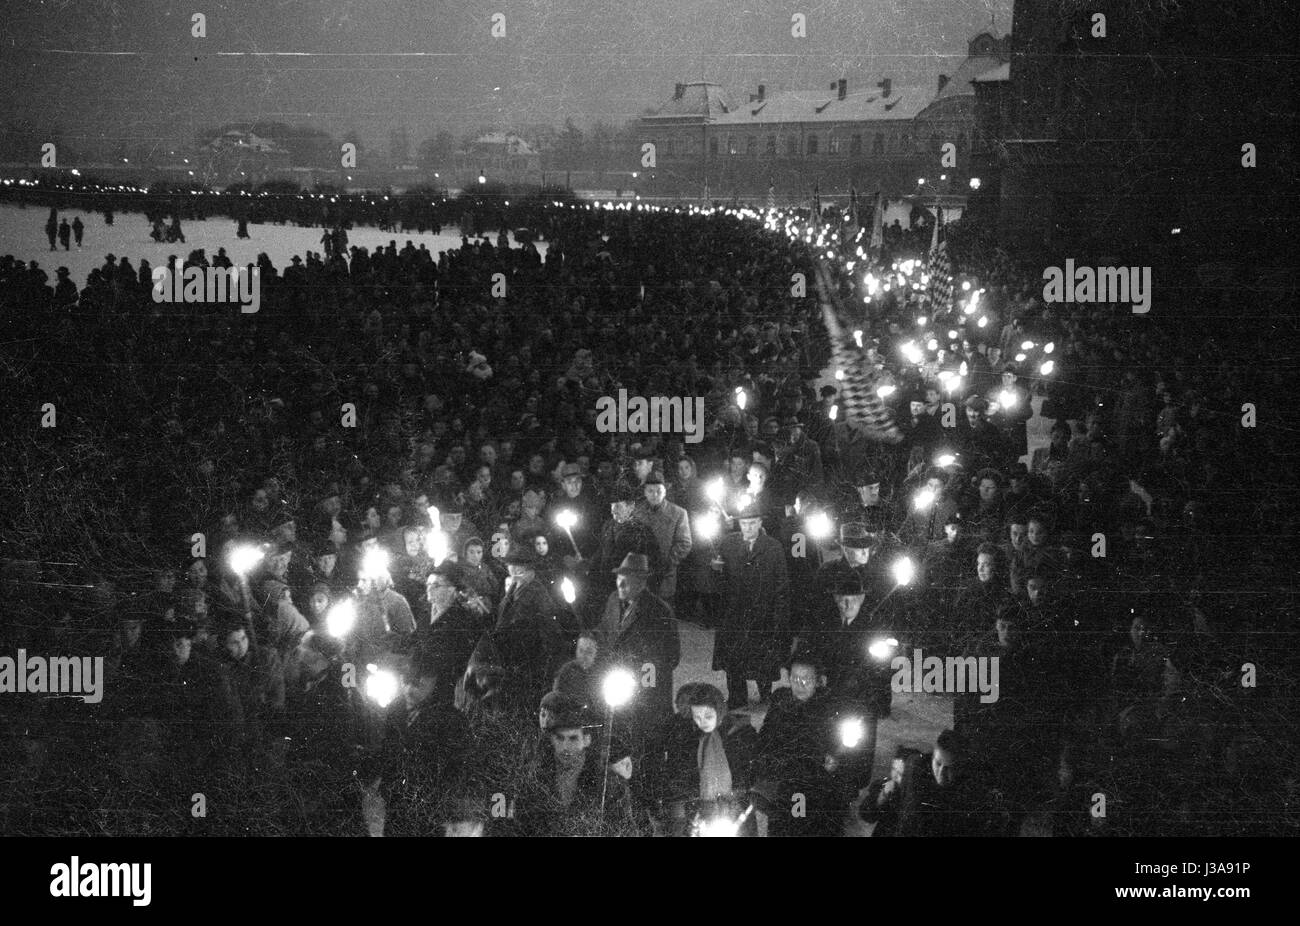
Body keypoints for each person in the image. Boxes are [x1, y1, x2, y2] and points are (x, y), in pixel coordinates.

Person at [360, 649, 473, 836]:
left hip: (428, 806)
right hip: (396, 799)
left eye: (419, 684)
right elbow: (387, 749)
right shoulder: (397, 709)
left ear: (436, 683)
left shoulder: (451, 720)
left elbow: (457, 769)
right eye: (406, 681)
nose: (409, 689)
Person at [594, 553, 680, 740]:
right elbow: (603, 633)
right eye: (618, 578)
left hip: (645, 692)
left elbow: (671, 656)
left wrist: (641, 677)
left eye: (627, 580)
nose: (620, 585)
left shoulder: (658, 611)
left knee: (645, 740)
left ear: (641, 583)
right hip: (615, 683)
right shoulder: (613, 601)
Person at [713, 498, 789, 709]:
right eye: (744, 524)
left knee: (762, 659)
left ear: (760, 524)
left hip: (762, 613)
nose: (748, 528)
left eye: (752, 523)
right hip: (735, 613)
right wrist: (716, 570)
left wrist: (779, 614)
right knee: (734, 659)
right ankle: (737, 697)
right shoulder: (728, 543)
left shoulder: (773, 547)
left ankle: (766, 693)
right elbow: (721, 581)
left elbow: (781, 584)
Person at [654, 683, 758, 836]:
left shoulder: (739, 734)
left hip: (735, 809)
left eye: (708, 716)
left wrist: (749, 790)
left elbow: (755, 768)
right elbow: (678, 775)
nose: (703, 722)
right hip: (702, 811)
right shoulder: (688, 740)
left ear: (719, 711)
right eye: (697, 717)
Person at [633, 470, 692, 605]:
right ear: (644, 492)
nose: (654, 495)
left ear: (665, 491)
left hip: (665, 574)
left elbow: (684, 543)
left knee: (664, 612)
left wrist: (666, 563)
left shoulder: (678, 513)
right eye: (650, 491)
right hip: (641, 573)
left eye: (659, 491)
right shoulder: (637, 513)